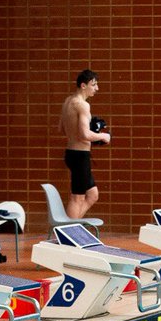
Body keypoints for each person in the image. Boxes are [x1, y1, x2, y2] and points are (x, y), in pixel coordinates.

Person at [59, 69, 110, 219]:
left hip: (72, 153)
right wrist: (103, 136)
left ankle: (72, 226)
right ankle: (68, 232)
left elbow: (61, 128)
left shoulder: (68, 101)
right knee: (77, 198)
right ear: (83, 85)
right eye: (93, 85)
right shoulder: (82, 105)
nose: (97, 88)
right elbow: (85, 135)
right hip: (80, 156)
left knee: (93, 195)